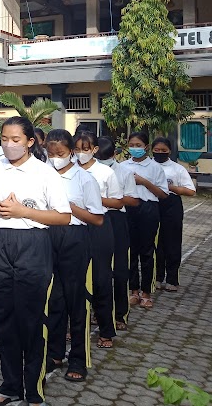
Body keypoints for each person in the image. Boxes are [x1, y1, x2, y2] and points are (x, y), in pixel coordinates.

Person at [0, 116, 71, 406]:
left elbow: (63, 217)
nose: (9, 145)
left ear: (30, 142)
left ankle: (34, 389)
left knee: (30, 318)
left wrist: (23, 212)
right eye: (4, 139)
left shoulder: (44, 174)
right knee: (3, 318)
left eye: (16, 140)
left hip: (32, 245)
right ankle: (10, 384)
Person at [44, 129, 104, 383]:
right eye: (50, 153)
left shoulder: (84, 178)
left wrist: (71, 209)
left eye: (61, 154)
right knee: (53, 299)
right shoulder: (42, 173)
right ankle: (55, 352)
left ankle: (78, 357)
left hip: (74, 239)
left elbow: (97, 219)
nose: (55, 158)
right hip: (46, 238)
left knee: (75, 300)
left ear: (71, 151)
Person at [74, 131, 124, 349]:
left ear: (95, 149)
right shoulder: (67, 171)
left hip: (99, 227)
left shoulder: (105, 172)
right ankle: (71, 327)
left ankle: (105, 329)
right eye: (77, 149)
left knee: (101, 279)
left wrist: (93, 197)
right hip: (72, 228)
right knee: (72, 279)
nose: (80, 153)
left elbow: (118, 202)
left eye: (86, 149)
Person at [117, 131, 168, 309]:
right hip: (129, 209)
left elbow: (163, 194)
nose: (135, 148)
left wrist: (144, 182)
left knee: (147, 252)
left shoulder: (155, 168)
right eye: (132, 145)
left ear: (146, 147)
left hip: (148, 209)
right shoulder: (122, 166)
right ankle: (134, 290)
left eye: (138, 145)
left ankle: (146, 292)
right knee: (130, 250)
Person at [95, 136, 139, 331]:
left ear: (114, 154)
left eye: (106, 157)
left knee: (120, 269)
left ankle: (120, 313)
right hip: (95, 219)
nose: (102, 161)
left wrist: (107, 199)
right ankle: (98, 311)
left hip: (116, 219)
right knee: (98, 269)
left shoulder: (125, 172)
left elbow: (132, 200)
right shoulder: (88, 170)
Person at [152, 137, 196, 292]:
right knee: (155, 243)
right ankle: (156, 278)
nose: (160, 153)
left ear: (169, 151)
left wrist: (171, 188)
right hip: (153, 205)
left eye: (163, 150)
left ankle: (172, 279)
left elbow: (191, 190)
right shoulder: (148, 166)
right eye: (156, 150)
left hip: (172, 207)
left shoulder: (177, 169)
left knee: (172, 242)